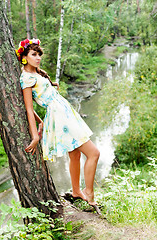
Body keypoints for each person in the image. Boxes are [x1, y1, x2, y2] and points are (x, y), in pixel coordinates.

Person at [16, 38, 100, 206]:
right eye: (34, 54)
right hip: (59, 115)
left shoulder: (35, 73)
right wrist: (35, 136)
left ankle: (76, 191)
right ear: (24, 57)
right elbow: (28, 108)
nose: (38, 57)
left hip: (64, 111)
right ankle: (89, 193)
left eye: (39, 54)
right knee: (94, 153)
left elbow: (32, 109)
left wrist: (41, 122)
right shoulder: (26, 78)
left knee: (75, 154)